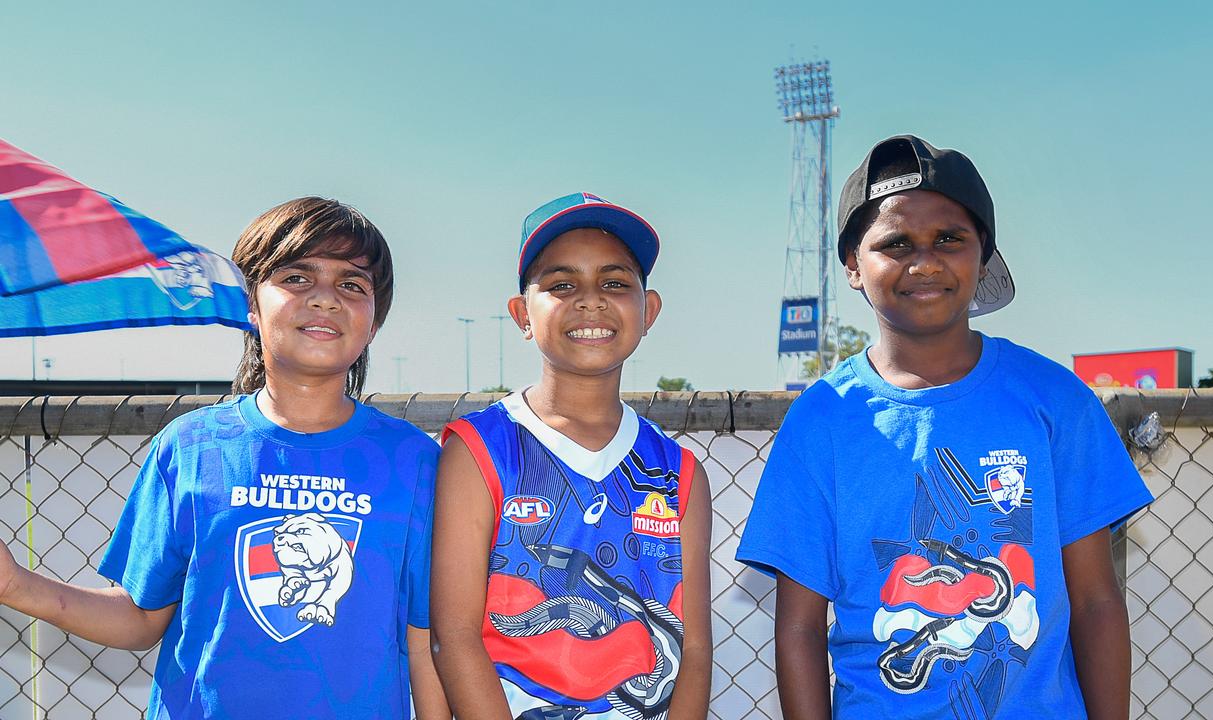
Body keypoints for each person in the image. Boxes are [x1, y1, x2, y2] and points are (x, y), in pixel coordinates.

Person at [736, 136, 1153, 719]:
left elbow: (1095, 602)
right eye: (897, 243)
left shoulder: (1055, 400)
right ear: (854, 264)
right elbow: (800, 629)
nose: (925, 261)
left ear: (983, 253)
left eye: (949, 239)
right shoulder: (822, 419)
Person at [0, 197, 448, 719]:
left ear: (374, 322)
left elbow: (424, 643)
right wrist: (15, 585)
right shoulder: (188, 446)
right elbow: (140, 618)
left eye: (352, 283)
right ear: (251, 306)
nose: (325, 298)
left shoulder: (415, 461)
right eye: (297, 277)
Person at [430, 192, 712, 720]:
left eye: (615, 283)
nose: (590, 300)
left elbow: (691, 649)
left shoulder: (678, 474)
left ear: (648, 311)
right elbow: (455, 637)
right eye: (562, 285)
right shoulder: (478, 450)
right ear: (521, 314)